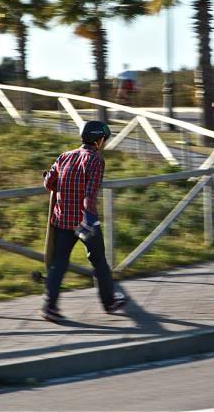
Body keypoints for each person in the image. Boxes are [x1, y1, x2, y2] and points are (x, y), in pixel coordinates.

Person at [40, 120, 127, 322]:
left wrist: (47, 176)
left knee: (59, 263)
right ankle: (109, 302)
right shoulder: (96, 160)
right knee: (99, 263)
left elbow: (49, 183)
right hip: (84, 221)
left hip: (62, 219)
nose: (104, 143)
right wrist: (89, 221)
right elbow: (90, 194)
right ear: (98, 140)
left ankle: (49, 307)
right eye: (104, 139)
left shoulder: (64, 156)